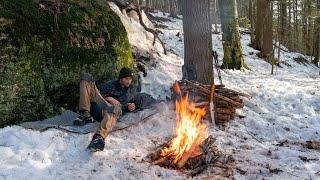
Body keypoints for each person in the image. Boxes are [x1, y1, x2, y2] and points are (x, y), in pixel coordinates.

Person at [78, 67, 142, 152]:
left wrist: (133, 105)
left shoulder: (131, 90)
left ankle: (98, 138)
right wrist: (108, 98)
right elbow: (98, 93)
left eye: (130, 79)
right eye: (126, 78)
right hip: (99, 106)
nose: (129, 81)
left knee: (115, 108)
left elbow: (137, 102)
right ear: (121, 78)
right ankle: (85, 114)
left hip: (110, 112)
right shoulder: (110, 85)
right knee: (87, 77)